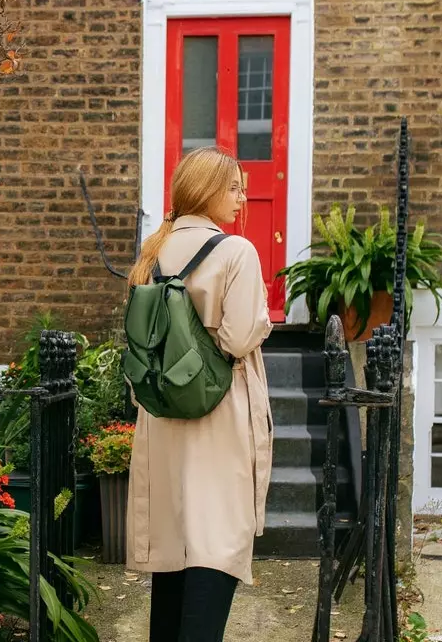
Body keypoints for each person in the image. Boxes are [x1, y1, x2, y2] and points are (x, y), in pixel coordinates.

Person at [125, 147, 274, 642]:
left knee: (173, 545)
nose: (241, 198)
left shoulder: (153, 251)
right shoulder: (236, 252)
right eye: (233, 188)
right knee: (216, 540)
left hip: (164, 411)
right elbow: (237, 337)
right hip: (219, 410)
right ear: (207, 190)